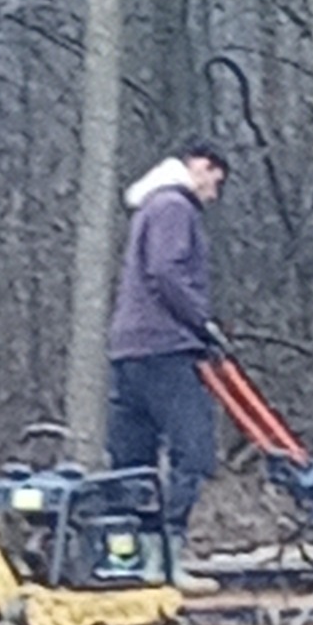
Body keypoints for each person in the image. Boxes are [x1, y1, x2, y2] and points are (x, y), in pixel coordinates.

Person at [107, 138, 231, 598]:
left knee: (132, 462)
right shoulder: (175, 208)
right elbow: (166, 272)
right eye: (214, 182)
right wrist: (203, 322)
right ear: (198, 167)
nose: (213, 194)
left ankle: (132, 558)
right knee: (193, 452)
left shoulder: (147, 208)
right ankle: (168, 557)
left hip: (127, 348)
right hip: (165, 347)